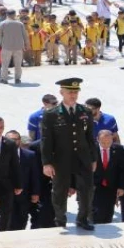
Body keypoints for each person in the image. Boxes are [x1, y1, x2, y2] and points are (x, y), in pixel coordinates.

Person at [40, 78, 97, 230]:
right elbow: (46, 140)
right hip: (61, 158)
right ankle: (60, 219)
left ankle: (83, 219)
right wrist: (47, 162)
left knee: (87, 189)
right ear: (62, 92)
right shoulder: (51, 114)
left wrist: (93, 158)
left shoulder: (85, 112)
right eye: (70, 92)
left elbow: (90, 137)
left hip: (82, 157)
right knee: (59, 190)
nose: (73, 95)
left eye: (75, 92)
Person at [6, 131, 39, 231]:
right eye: (10, 140)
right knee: (7, 222)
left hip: (24, 196)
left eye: (16, 139)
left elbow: (35, 175)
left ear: (19, 141)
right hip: (6, 196)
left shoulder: (30, 155)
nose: (13, 142)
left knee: (22, 220)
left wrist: (35, 193)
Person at [93, 130, 124, 224]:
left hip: (111, 187)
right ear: (97, 140)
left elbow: (122, 170)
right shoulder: (90, 149)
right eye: (103, 142)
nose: (106, 145)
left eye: (109, 142)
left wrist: (121, 187)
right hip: (95, 187)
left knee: (108, 214)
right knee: (96, 213)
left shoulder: (119, 149)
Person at [0, 9, 29, 84]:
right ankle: (17, 79)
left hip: (6, 46)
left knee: (5, 64)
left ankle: (4, 79)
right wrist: (27, 44)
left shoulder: (2, 24)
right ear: (14, 14)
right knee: (18, 64)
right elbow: (25, 36)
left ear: (7, 14)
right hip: (18, 46)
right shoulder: (20, 24)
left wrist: (1, 44)